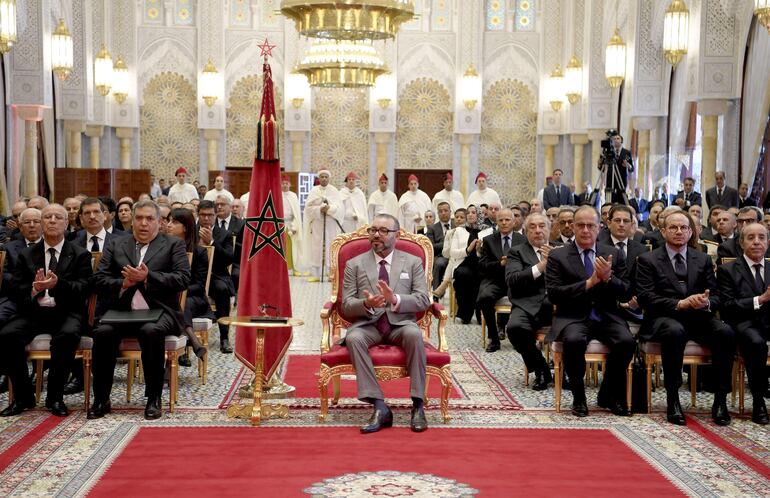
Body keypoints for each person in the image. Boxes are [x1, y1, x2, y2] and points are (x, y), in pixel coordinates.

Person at [89, 200, 191, 420]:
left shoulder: (173, 245)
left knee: (150, 331)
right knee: (102, 333)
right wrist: (122, 284)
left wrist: (148, 278)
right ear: (132, 220)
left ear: (159, 222)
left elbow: (183, 279)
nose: (143, 223)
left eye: (149, 219)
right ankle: (101, 399)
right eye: (139, 218)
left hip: (161, 311)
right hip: (122, 312)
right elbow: (98, 280)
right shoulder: (116, 244)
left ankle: (154, 398)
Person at [636, 211, 736, 425]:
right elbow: (645, 297)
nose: (679, 231)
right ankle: (673, 399)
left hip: (697, 317)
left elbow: (717, 296)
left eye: (683, 228)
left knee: (725, 332)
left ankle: (720, 400)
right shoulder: (648, 259)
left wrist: (706, 302)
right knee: (675, 331)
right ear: (663, 231)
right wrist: (678, 304)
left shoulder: (702, 259)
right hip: (662, 318)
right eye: (673, 227)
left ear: (691, 232)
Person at [340, 214, 431, 434]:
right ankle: (380, 406)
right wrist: (366, 304)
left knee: (414, 335)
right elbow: (346, 304)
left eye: (383, 231)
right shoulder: (355, 264)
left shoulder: (412, 261)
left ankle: (418, 405)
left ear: (396, 235)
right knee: (353, 338)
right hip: (368, 324)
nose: (376, 235)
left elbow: (423, 299)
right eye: (373, 230)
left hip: (400, 324)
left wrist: (395, 299)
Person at [0, 204, 92, 417]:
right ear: (41, 223)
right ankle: (23, 397)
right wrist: (33, 288)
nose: (52, 220)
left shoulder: (80, 255)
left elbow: (85, 288)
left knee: (67, 335)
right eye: (47, 217)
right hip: (34, 312)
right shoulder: (26, 255)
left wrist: (57, 285)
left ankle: (55, 398)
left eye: (57, 217)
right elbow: (13, 288)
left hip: (66, 312)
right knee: (7, 335)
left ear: (66, 223)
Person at [545, 205, 635, 417]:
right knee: (574, 341)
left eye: (590, 226)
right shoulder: (559, 256)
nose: (586, 230)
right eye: (581, 226)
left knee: (627, 342)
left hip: (607, 315)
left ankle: (607, 393)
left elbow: (626, 293)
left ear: (599, 227)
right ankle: (579, 397)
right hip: (573, 316)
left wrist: (608, 279)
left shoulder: (613, 253)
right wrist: (588, 283)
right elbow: (554, 294)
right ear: (572, 227)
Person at [716, 222, 769, 425]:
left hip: (768, 323)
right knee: (756, 342)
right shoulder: (728, 270)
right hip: (743, 323)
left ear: (768, 241)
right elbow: (728, 306)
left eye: (761, 237)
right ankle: (758, 401)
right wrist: (760, 299)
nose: (757, 242)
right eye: (751, 238)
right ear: (741, 242)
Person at [505, 213, 554, 391]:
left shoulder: (562, 249)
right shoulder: (517, 251)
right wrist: (542, 265)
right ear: (525, 232)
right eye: (532, 227)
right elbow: (513, 280)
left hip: (558, 305)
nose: (538, 230)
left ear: (549, 229)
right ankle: (541, 367)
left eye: (542, 226)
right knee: (515, 328)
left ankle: (566, 372)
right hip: (526, 303)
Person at [478, 209, 526, 352]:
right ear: (497, 222)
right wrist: (500, 264)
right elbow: (482, 266)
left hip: (517, 280)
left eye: (507, 220)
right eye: (501, 220)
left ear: (514, 222)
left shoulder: (523, 240)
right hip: (496, 280)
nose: (504, 223)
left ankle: (522, 337)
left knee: (532, 296)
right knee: (484, 297)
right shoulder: (489, 240)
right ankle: (494, 338)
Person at [167, 208, 209, 365]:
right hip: (171, 298)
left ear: (185, 227)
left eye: (174, 222)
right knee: (175, 304)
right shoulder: (164, 248)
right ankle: (192, 340)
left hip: (194, 298)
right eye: (169, 221)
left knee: (182, 304)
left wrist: (180, 291)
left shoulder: (199, 252)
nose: (169, 225)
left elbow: (199, 285)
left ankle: (182, 348)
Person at [199, 200, 236, 353]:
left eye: (210, 215)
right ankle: (186, 343)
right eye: (203, 215)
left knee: (222, 290)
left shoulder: (224, 234)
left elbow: (228, 258)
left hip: (216, 276)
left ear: (215, 216)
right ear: (198, 215)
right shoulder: (191, 231)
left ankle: (224, 337)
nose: (207, 218)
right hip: (195, 276)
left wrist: (212, 242)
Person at [0, 208, 43, 323]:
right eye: (27, 222)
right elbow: (4, 274)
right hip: (15, 297)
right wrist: (27, 284)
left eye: (36, 221)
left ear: (43, 224)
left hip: (45, 296)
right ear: (20, 226)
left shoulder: (51, 245)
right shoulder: (8, 248)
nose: (32, 225)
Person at [302, 169, 345, 282]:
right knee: (317, 246)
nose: (324, 179)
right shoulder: (314, 191)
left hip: (330, 223)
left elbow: (339, 208)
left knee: (331, 246)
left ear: (329, 178)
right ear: (319, 178)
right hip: (318, 222)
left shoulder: (334, 190)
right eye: (322, 177)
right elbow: (308, 208)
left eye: (326, 177)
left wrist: (329, 209)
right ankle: (316, 274)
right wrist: (320, 209)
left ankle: (331, 273)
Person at [452, 205, 483, 324]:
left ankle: (480, 312)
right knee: (463, 274)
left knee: (481, 276)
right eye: (468, 212)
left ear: (479, 215)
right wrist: (468, 250)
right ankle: (465, 313)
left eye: (473, 212)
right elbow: (453, 253)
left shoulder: (487, 231)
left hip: (481, 264)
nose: (470, 214)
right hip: (463, 264)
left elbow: (490, 253)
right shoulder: (459, 231)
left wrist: (480, 251)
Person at [432, 208, 469, 298]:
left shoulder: (468, 232)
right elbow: (445, 254)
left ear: (466, 219)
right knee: (452, 258)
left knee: (454, 259)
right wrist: (450, 242)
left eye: (462, 217)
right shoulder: (449, 232)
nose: (459, 219)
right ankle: (443, 285)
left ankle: (444, 283)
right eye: (456, 217)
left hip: (465, 257)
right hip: (454, 257)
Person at [598, 133, 633, 205]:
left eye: (618, 138)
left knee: (622, 200)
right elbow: (602, 168)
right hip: (610, 179)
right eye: (614, 139)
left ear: (621, 141)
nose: (616, 140)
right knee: (609, 199)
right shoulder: (606, 153)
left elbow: (632, 168)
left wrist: (628, 165)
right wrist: (599, 164)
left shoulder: (627, 152)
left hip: (621, 180)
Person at [426, 202, 452, 294]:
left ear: (450, 211)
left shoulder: (456, 223)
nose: (443, 213)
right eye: (440, 211)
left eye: (445, 210)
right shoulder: (432, 228)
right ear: (438, 213)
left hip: (458, 256)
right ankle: (436, 295)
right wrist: (447, 243)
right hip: (441, 257)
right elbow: (431, 246)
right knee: (439, 264)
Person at [281, 175, 303, 275]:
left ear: (290, 184)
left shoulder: (293, 196)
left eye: (286, 183)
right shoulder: (277, 194)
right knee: (281, 247)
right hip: (279, 224)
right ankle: (281, 268)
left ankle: (294, 268)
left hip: (290, 224)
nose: (285, 185)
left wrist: (295, 227)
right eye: (283, 183)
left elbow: (297, 214)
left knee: (292, 247)